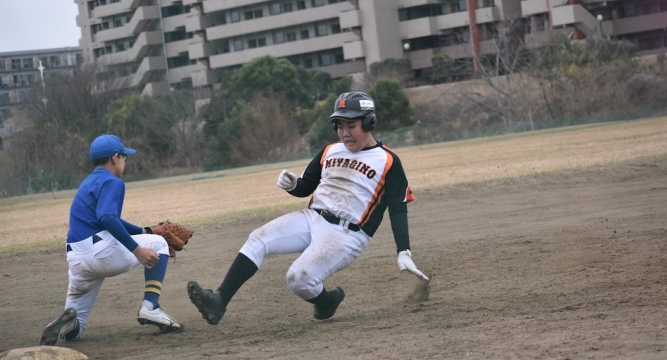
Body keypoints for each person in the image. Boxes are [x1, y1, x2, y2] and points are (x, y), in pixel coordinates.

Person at [187, 91, 428, 325]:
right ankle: (219, 300)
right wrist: (292, 185)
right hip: (312, 217)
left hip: (347, 234)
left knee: (298, 279)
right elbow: (305, 187)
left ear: (369, 122)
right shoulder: (330, 151)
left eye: (351, 125)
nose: (344, 133)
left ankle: (327, 301)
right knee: (258, 239)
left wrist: (403, 251)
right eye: (339, 126)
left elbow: (398, 208)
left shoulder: (387, 161)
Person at [39, 134, 182, 346]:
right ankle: (151, 306)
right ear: (115, 158)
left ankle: (69, 325)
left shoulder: (87, 183)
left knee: (77, 330)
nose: (124, 161)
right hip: (101, 253)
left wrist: (142, 230)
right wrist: (136, 249)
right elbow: (107, 218)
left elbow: (105, 218)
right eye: (124, 157)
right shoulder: (113, 182)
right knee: (159, 243)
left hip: (77, 259)